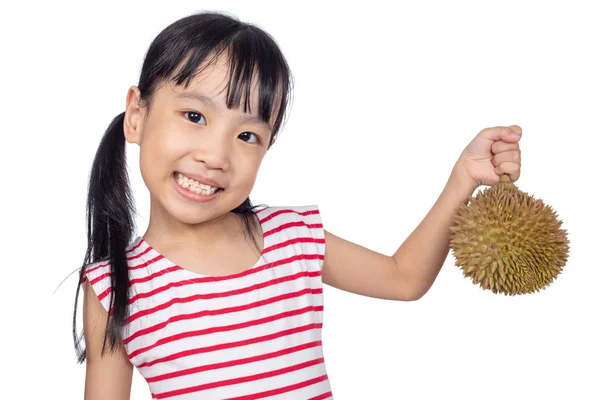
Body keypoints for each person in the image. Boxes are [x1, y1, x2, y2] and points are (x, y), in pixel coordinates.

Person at [73, 11, 522, 400]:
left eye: (248, 135)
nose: (216, 155)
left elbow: (404, 279)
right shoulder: (114, 289)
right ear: (137, 115)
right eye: (195, 117)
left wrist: (463, 178)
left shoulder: (293, 239)